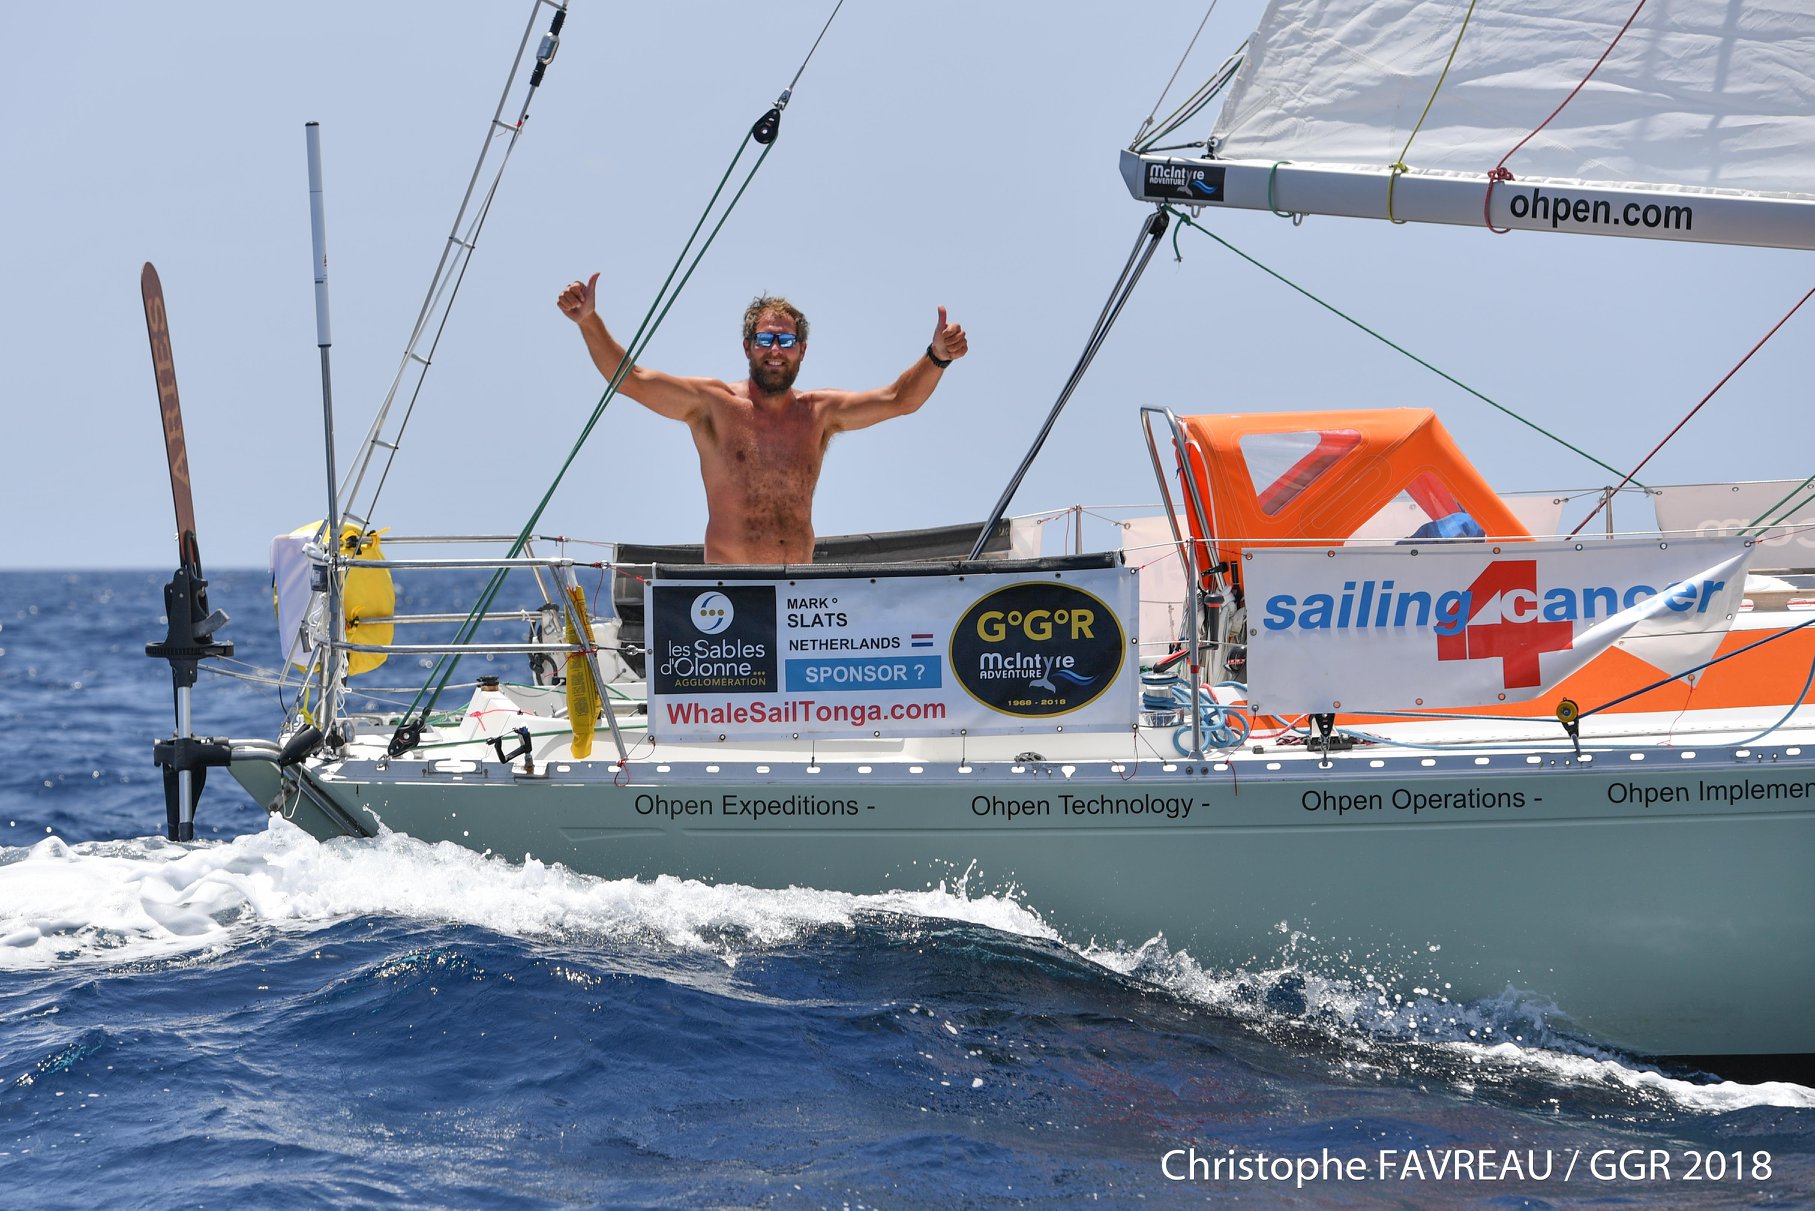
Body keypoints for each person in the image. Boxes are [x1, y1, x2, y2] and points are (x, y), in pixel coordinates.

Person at [558, 274, 967, 564]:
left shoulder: (820, 413)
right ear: (747, 347)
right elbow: (630, 379)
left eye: (786, 340)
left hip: (795, 591)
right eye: (765, 339)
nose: (775, 349)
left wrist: (937, 358)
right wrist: (588, 321)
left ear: (801, 350)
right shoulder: (712, 405)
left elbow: (899, 399)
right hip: (730, 592)